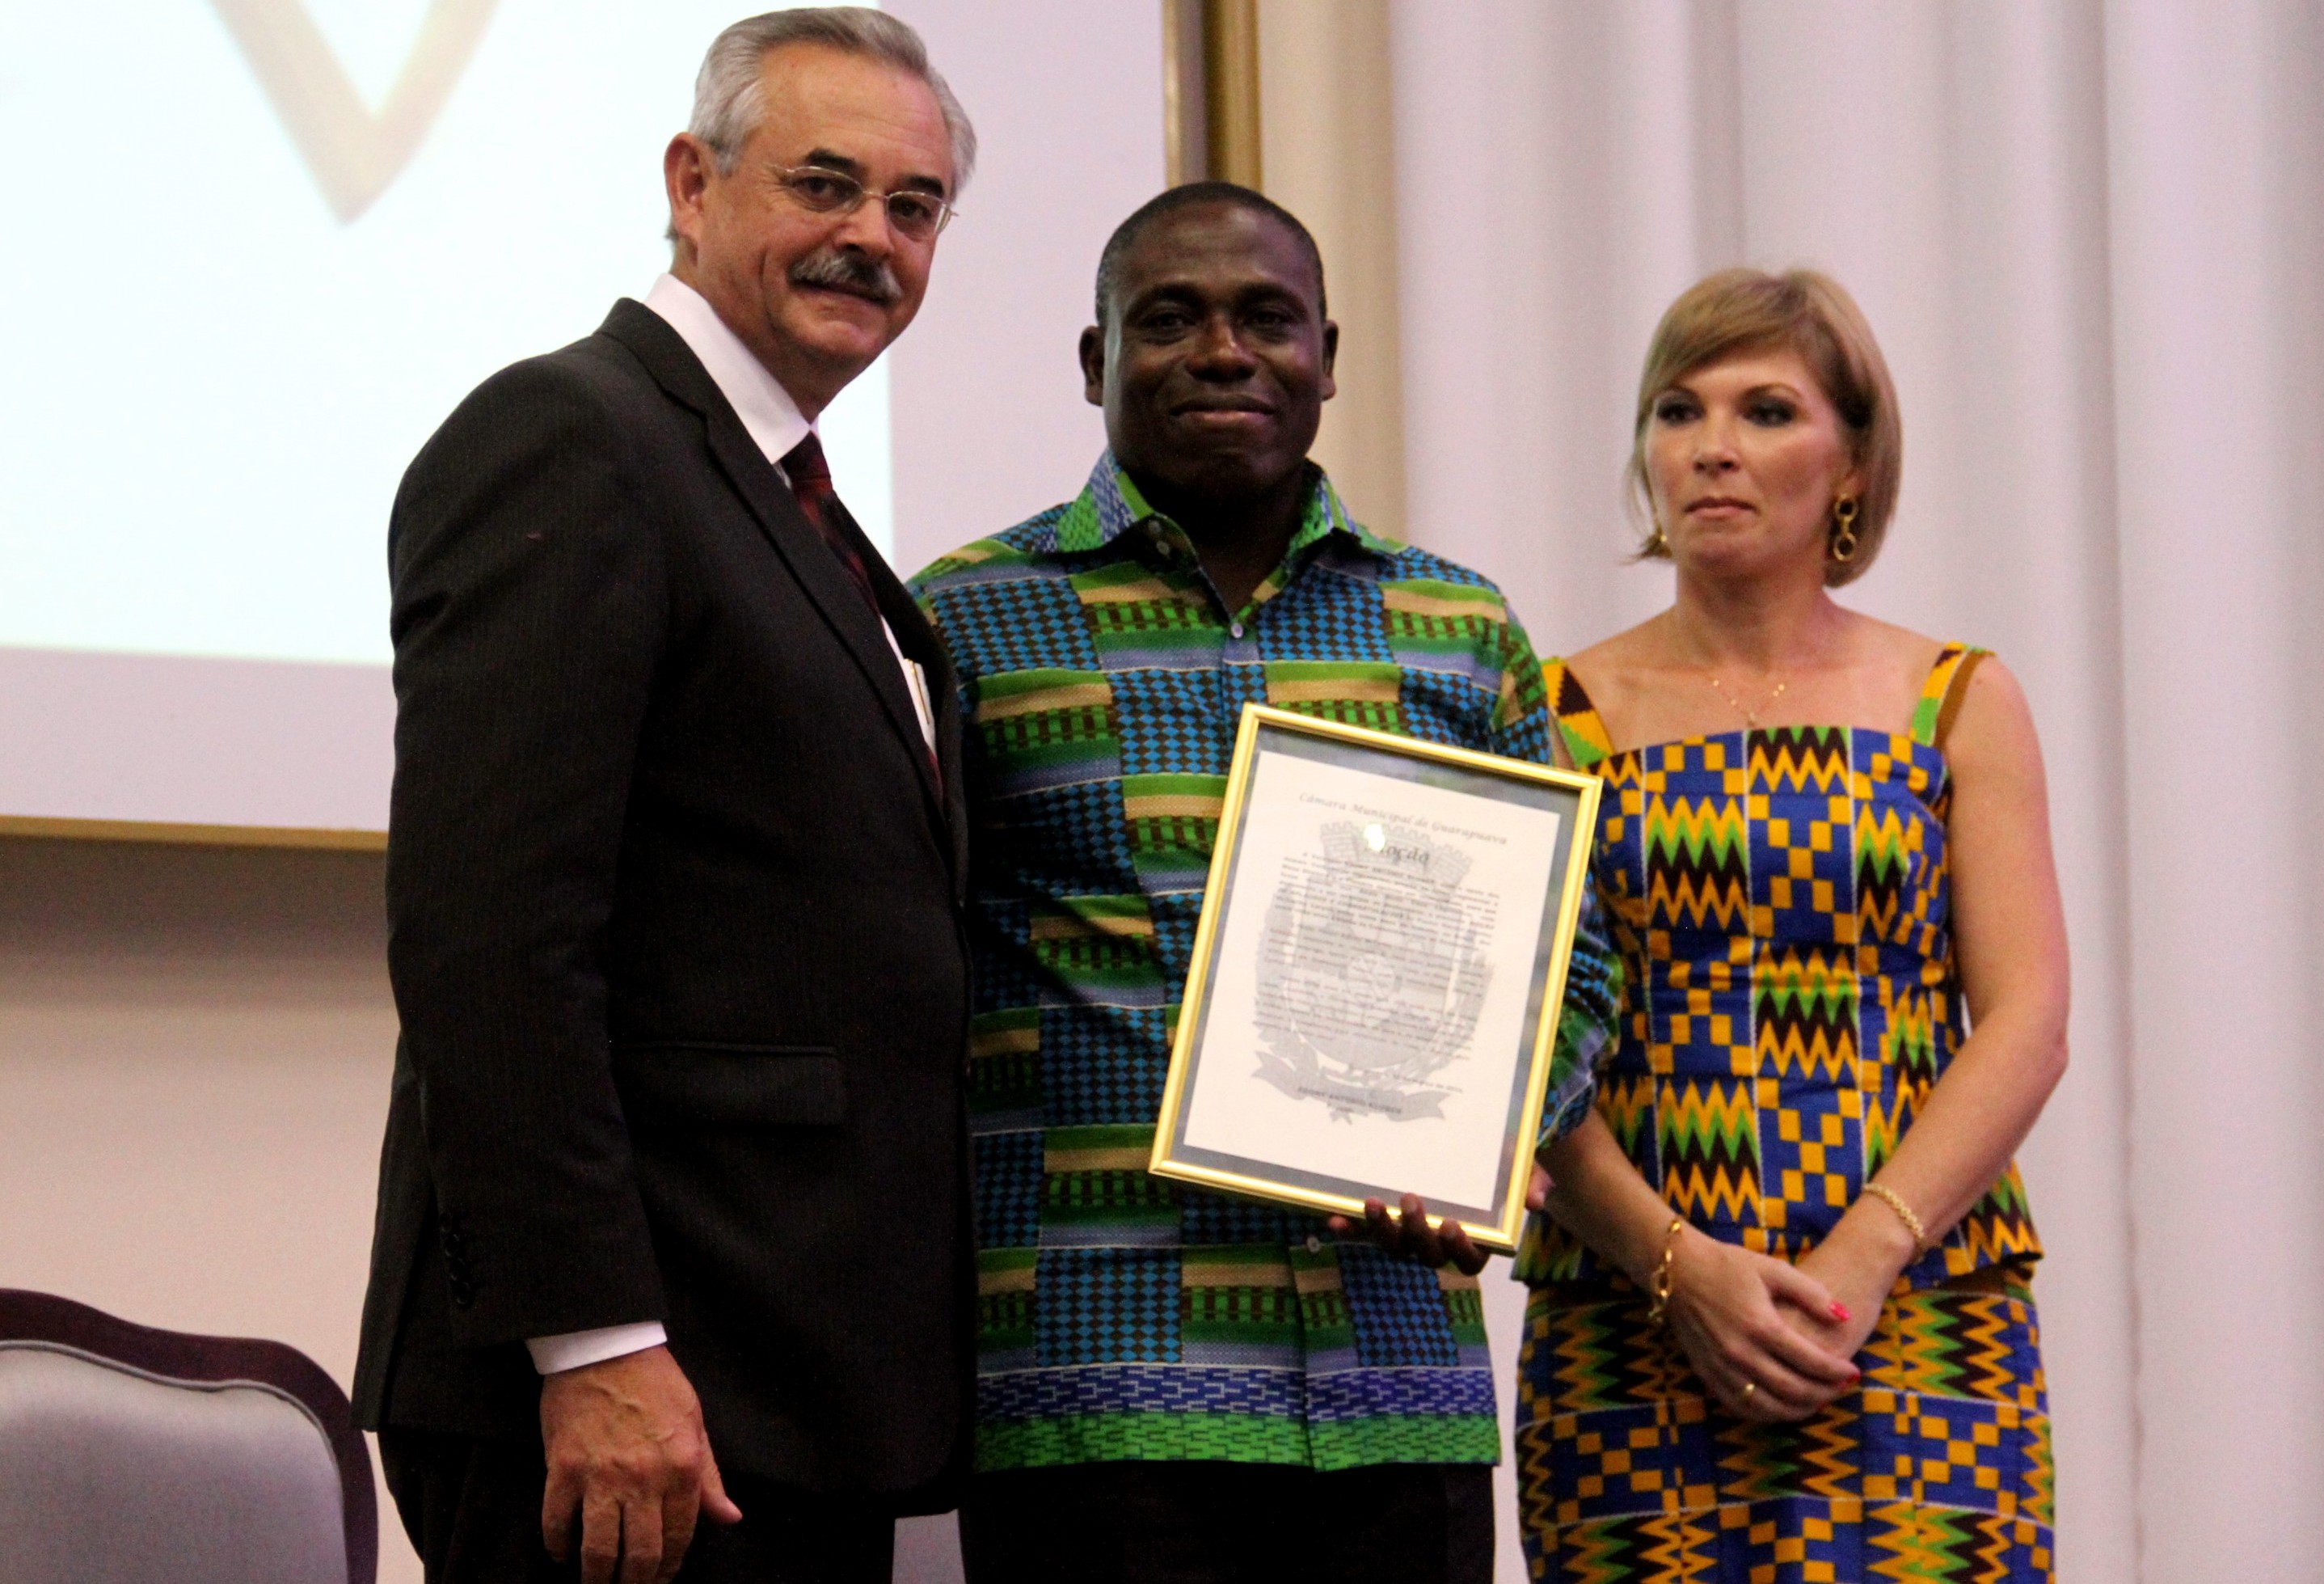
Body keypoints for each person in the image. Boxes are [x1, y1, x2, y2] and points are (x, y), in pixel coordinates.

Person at [908, 183, 1622, 1584]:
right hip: (1094, 1389)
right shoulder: (961, 619)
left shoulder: (1457, 627)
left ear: (1327, 357)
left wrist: (1480, 1145)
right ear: (1094, 362)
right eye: (1167, 318)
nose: (1222, 351)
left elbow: (1570, 957)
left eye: (1265, 318)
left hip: (1395, 1396)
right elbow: (889, 965)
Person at [350, 12, 978, 1582]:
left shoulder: (778, 497)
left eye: (914, 207)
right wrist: (596, 1339)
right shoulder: (574, 438)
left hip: (775, 1391)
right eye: (824, 184)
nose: (871, 239)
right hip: (632, 1401)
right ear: (693, 182)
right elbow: (491, 938)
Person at [1511, 268, 2068, 1582]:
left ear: (1854, 465)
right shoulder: (1548, 707)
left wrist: (1862, 1257)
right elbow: (1524, 1043)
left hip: (1921, 1309)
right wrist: (1675, 1270)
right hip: (1629, 1318)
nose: (1709, 447)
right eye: (1675, 410)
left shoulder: (1957, 699)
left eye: (1764, 410)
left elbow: (2028, 1021)